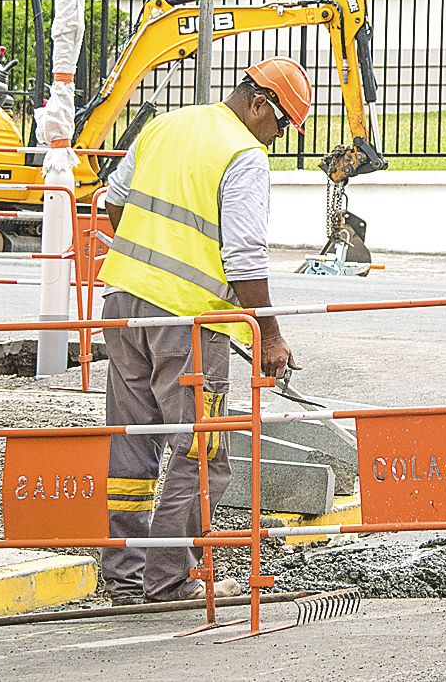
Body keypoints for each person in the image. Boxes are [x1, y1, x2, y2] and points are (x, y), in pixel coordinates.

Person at [94, 56, 311, 605]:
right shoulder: (244, 156)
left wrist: (151, 265)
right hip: (188, 322)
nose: (279, 137)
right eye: (281, 123)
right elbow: (243, 256)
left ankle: (124, 579)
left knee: (131, 443)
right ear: (258, 102)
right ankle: (168, 581)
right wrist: (269, 336)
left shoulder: (166, 124)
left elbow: (112, 203)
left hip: (121, 303)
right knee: (201, 451)